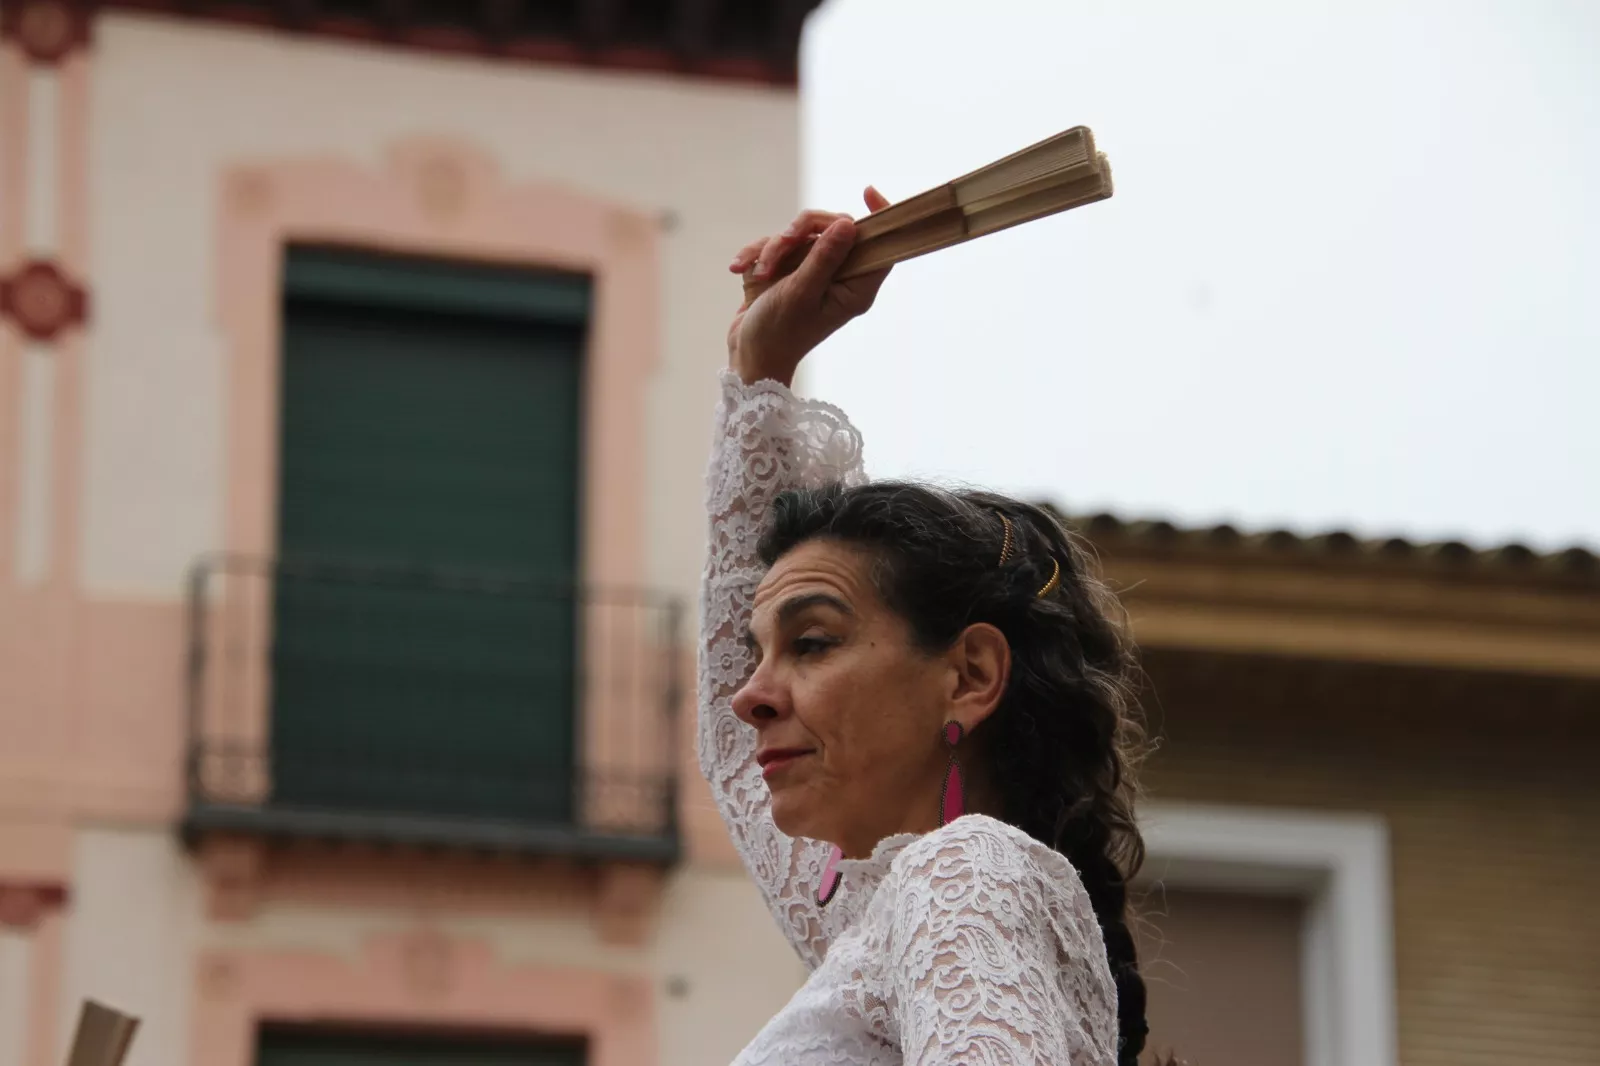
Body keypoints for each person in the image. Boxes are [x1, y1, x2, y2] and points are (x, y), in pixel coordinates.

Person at [700, 188, 1152, 1066]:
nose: (752, 694)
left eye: (814, 642)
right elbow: (731, 740)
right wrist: (759, 371)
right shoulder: (885, 911)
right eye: (760, 652)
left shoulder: (961, 877)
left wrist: (762, 378)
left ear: (971, 675)